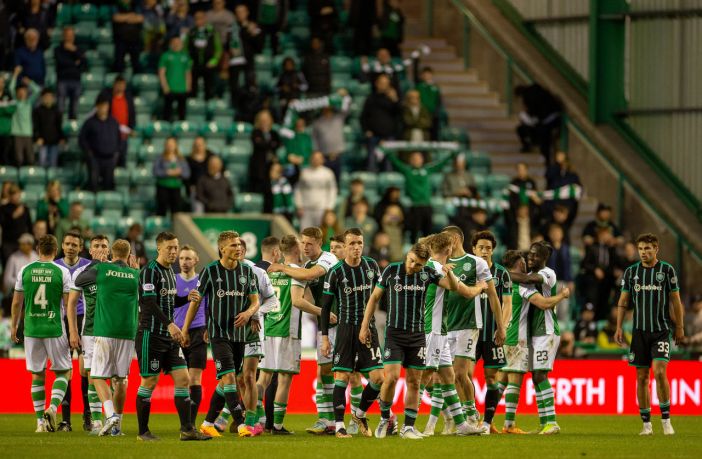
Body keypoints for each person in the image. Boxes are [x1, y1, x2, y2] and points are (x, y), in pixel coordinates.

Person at [360, 241, 484, 439]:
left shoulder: (428, 273)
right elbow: (374, 297)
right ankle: (385, 418)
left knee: (415, 382)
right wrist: (365, 325)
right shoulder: (392, 270)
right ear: (407, 254)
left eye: (418, 264)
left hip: (417, 335)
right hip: (395, 334)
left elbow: (453, 287)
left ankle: (408, 427)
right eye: (411, 261)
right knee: (391, 378)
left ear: (425, 263)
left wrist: (448, 273)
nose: (413, 266)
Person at [181, 231, 260, 437]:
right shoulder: (210, 271)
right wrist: (185, 329)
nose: (238, 248)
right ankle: (241, 424)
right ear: (222, 249)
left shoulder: (247, 271)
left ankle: (207, 423)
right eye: (233, 245)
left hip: (239, 335)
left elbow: (255, 301)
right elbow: (195, 302)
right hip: (218, 334)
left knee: (225, 381)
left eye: (239, 245)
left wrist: (248, 313)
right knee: (229, 377)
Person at [134, 231, 210, 441]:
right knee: (149, 381)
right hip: (151, 335)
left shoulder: (169, 272)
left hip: (168, 338)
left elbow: (169, 300)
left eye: (176, 247)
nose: (174, 252)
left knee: (183, 379)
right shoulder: (150, 271)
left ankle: (187, 430)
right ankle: (143, 432)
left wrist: (186, 298)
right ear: (159, 248)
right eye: (170, 248)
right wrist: (169, 324)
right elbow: (149, 302)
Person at [266, 227, 340, 435]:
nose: (305, 247)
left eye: (310, 243)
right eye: (303, 243)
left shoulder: (328, 259)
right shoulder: (304, 266)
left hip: (342, 322)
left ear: (320, 243)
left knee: (349, 374)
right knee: (323, 371)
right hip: (325, 325)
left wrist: (281, 267)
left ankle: (356, 417)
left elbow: (310, 275)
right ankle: (326, 420)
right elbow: (298, 296)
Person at [420, 233, 490, 437]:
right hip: (432, 329)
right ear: (449, 249)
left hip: (441, 330)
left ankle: (459, 424)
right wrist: (480, 286)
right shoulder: (435, 269)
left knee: (448, 376)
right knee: (425, 377)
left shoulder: (435, 267)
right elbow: (464, 292)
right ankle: (409, 424)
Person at [615, 233, 685, 436]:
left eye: (647, 248)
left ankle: (666, 421)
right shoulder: (631, 272)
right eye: (640, 249)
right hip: (639, 332)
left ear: (656, 249)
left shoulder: (667, 270)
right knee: (642, 377)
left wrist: (679, 327)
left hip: (661, 331)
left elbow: (676, 300)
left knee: (660, 372)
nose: (643, 252)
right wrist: (619, 327)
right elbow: (623, 301)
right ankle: (646, 424)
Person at [69, 239, 140, 436]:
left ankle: (110, 416)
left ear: (111, 253)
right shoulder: (136, 274)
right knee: (121, 379)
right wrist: (136, 270)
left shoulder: (102, 270)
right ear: (129, 255)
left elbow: (79, 281)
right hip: (128, 333)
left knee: (98, 375)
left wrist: (97, 264)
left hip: (104, 330)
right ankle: (117, 427)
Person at [318, 228, 383, 438]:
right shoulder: (335, 271)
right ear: (345, 247)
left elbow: (380, 294)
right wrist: (325, 338)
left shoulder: (372, 266)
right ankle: (339, 426)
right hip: (346, 329)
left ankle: (359, 414)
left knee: (378, 378)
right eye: (352, 243)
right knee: (342, 376)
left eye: (359, 243)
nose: (356, 247)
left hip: (369, 329)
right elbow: (325, 308)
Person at [441, 226, 505, 429]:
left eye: (445, 239)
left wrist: (501, 327)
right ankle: (462, 415)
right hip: (446, 325)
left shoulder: (476, 263)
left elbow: (493, 296)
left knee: (461, 373)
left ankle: (470, 415)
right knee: (448, 376)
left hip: (468, 325)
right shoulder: (442, 263)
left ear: (454, 239)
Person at [10, 235, 72, 432]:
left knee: (37, 375)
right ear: (56, 250)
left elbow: (16, 302)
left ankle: (39, 423)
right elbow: (68, 305)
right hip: (54, 328)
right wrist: (73, 331)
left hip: (32, 329)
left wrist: (14, 326)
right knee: (64, 371)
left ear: (38, 250)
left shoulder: (25, 270)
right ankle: (52, 408)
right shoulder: (61, 271)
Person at [509, 241, 571, 435]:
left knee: (540, 375)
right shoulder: (528, 276)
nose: (531, 257)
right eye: (530, 254)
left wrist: (501, 272)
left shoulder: (547, 273)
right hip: (534, 333)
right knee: (536, 377)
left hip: (547, 331)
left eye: (536, 255)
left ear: (545, 258)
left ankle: (552, 422)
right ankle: (545, 423)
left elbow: (529, 282)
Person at [255, 234, 312, 434]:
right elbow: (301, 300)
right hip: (288, 330)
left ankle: (256, 418)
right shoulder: (298, 272)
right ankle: (277, 426)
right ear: (296, 250)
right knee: (285, 378)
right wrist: (322, 312)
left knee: (263, 378)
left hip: (268, 328)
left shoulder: (270, 272)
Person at [66, 235, 111, 434]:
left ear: (109, 250)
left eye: (104, 246)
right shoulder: (81, 273)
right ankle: (97, 422)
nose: (100, 249)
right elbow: (71, 304)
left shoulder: (117, 270)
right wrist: (73, 331)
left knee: (116, 377)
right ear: (90, 251)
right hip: (91, 330)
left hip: (113, 331)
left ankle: (113, 419)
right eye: (96, 246)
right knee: (93, 375)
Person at [53, 231, 92, 432]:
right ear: (62, 245)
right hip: (61, 321)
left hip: (84, 320)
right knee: (65, 370)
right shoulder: (54, 267)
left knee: (85, 370)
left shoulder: (88, 266)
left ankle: (88, 416)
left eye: (74, 245)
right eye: (67, 244)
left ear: (80, 247)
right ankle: (65, 421)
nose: (70, 247)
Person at [386, 150, 458, 242]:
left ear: (422, 160)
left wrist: (452, 155)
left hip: (427, 206)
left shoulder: (427, 170)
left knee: (428, 235)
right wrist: (387, 152)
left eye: (418, 158)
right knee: (414, 233)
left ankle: (427, 250)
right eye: (414, 158)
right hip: (415, 207)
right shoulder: (407, 171)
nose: (416, 160)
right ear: (410, 160)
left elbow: (441, 164)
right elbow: (396, 162)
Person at [172, 246, 208, 427]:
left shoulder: (203, 281)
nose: (184, 262)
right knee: (181, 380)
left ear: (196, 260)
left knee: (194, 379)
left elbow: (209, 306)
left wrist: (208, 328)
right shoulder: (172, 280)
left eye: (188, 258)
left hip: (198, 332)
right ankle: (185, 421)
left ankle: (190, 423)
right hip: (176, 334)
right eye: (181, 258)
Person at [79, 96, 121, 191]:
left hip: (110, 158)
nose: (103, 108)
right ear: (97, 107)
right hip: (95, 158)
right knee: (93, 183)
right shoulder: (89, 123)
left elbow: (119, 138)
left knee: (109, 184)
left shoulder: (113, 122)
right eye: (101, 106)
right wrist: (89, 152)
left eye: (105, 106)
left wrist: (117, 153)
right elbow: (82, 139)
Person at [514, 83, 562, 165]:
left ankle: (546, 160)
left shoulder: (528, 97)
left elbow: (534, 112)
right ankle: (545, 158)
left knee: (543, 139)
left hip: (546, 120)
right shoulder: (538, 89)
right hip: (555, 116)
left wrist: (527, 116)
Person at [361, 74, 400, 171]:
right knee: (371, 163)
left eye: (386, 83)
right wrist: (366, 130)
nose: (383, 85)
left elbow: (399, 115)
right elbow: (364, 116)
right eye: (381, 83)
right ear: (376, 84)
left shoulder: (392, 100)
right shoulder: (371, 98)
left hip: (389, 136)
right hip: (373, 136)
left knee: (389, 165)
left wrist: (395, 100)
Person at [228, 4, 262, 108]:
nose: (240, 14)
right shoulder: (232, 28)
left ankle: (249, 108)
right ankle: (235, 108)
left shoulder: (253, 27)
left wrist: (252, 33)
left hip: (248, 61)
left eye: (242, 12)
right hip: (234, 61)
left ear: (247, 13)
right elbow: (227, 45)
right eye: (237, 12)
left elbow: (259, 46)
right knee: (234, 87)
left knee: (250, 86)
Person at [98, 76, 136, 168]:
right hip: (111, 135)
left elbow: (132, 114)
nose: (120, 87)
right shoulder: (108, 97)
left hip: (123, 136)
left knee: (122, 160)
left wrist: (131, 128)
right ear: (114, 85)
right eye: (118, 84)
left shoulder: (128, 98)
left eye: (122, 85)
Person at [294, 151, 338, 230]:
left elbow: (332, 191)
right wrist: (299, 205)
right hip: (306, 209)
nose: (316, 160)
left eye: (318, 158)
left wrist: (329, 207)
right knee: (305, 233)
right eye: (314, 158)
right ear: (310, 159)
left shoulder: (328, 173)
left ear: (322, 160)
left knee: (320, 233)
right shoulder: (304, 172)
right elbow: (298, 190)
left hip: (322, 209)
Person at [580, 226, 617, 320]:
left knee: (604, 302)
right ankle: (589, 321)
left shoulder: (610, 249)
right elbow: (584, 264)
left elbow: (613, 263)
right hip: (593, 280)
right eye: (607, 234)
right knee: (592, 301)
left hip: (606, 280)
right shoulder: (592, 247)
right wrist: (595, 269)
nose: (609, 236)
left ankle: (602, 320)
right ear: (601, 235)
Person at [186, 11, 221, 101]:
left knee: (209, 86)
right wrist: (189, 60)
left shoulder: (212, 32)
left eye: (201, 18)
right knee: (193, 86)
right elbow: (186, 48)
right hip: (195, 63)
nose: (199, 21)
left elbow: (218, 49)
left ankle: (208, 103)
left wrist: (214, 60)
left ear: (205, 19)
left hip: (208, 63)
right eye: (196, 19)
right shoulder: (191, 32)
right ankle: (193, 104)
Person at [153, 137, 191, 217]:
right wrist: (167, 172)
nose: (170, 146)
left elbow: (187, 174)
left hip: (176, 188)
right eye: (168, 144)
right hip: (162, 187)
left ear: (176, 145)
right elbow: (155, 171)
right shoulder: (160, 158)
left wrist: (179, 172)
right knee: (161, 209)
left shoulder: (181, 159)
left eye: (172, 144)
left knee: (176, 211)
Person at [9, 70, 40, 166]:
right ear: (17, 93)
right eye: (20, 92)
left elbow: (37, 90)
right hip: (16, 133)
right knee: (19, 159)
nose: (22, 93)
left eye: (24, 91)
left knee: (31, 159)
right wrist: (15, 75)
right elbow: (11, 88)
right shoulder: (15, 103)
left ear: (26, 93)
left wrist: (29, 82)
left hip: (28, 133)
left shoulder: (29, 103)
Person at [54, 26, 86, 120]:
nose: (69, 37)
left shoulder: (78, 49)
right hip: (62, 80)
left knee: (74, 107)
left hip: (76, 80)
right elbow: (61, 62)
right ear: (63, 36)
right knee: (60, 106)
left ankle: (72, 124)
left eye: (71, 35)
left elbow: (84, 63)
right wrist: (75, 63)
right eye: (67, 35)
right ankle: (58, 123)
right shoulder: (58, 49)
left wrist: (74, 50)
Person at [312, 100, 348, 179]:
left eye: (329, 108)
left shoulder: (338, 118)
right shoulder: (317, 123)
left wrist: (345, 97)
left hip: (339, 155)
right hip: (324, 157)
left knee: (338, 178)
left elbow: (345, 109)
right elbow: (314, 139)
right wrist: (317, 153)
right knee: (324, 179)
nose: (327, 110)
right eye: (325, 108)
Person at [159, 36, 192, 122]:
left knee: (182, 113)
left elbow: (187, 73)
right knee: (167, 112)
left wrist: (188, 85)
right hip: (170, 88)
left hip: (182, 88)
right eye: (175, 43)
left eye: (179, 43)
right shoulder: (165, 56)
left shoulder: (185, 56)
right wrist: (165, 86)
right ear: (171, 44)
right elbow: (161, 73)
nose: (177, 45)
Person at [248, 109, 281, 194]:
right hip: (258, 170)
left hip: (271, 169)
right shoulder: (255, 133)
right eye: (262, 120)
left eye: (266, 119)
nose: (264, 122)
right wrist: (271, 144)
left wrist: (266, 144)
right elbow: (260, 145)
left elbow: (278, 145)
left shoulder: (274, 134)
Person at [546, 223, 573, 322]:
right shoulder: (547, 248)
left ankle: (563, 327)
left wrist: (570, 281)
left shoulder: (566, 248)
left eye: (558, 233)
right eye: (554, 233)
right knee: (552, 307)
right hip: (551, 282)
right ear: (550, 234)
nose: (556, 235)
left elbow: (568, 266)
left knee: (564, 308)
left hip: (563, 281)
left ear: (562, 234)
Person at [0, 183, 32, 265]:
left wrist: (31, 242)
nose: (15, 196)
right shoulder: (3, 209)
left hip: (22, 243)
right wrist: (13, 216)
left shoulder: (25, 209)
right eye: (13, 194)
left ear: (20, 194)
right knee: (8, 266)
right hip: (8, 243)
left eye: (17, 193)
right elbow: (3, 224)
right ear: (9, 195)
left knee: (22, 267)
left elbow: (29, 226)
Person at [33, 88, 64, 168]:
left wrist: (62, 138)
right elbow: (35, 126)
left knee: (53, 164)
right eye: (46, 97)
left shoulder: (56, 111)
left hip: (54, 141)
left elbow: (59, 126)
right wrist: (37, 137)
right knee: (42, 163)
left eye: (50, 97)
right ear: (42, 98)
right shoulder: (37, 111)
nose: (48, 99)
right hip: (42, 141)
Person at [112, 0, 144, 73]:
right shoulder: (116, 5)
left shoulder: (136, 5)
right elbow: (116, 18)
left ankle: (136, 78)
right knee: (119, 63)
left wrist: (124, 18)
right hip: (120, 40)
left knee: (136, 63)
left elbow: (140, 18)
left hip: (134, 40)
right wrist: (130, 16)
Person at [415, 67, 442, 140]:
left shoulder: (435, 87)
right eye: (425, 74)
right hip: (422, 114)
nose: (427, 76)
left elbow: (438, 101)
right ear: (422, 76)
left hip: (433, 114)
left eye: (428, 74)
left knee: (434, 134)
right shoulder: (419, 87)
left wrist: (436, 112)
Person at [141, 0, 166, 72]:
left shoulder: (159, 9)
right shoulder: (142, 9)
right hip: (147, 37)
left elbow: (162, 21)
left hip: (158, 37)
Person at [0, 76, 15, 165]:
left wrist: (2, 110)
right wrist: (5, 109)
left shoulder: (8, 95)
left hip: (6, 131)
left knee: (5, 156)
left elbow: (12, 109)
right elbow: (7, 110)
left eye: (1, 82)